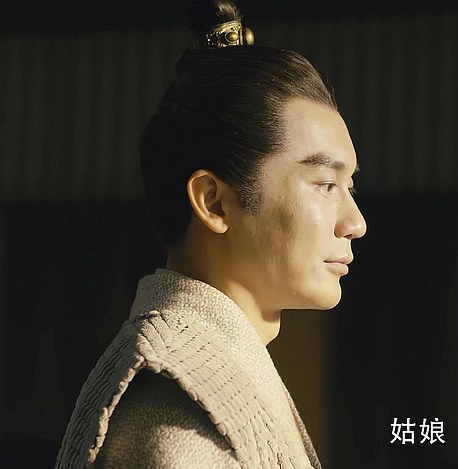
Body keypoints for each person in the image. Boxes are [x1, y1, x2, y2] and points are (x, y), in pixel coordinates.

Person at [54, 0, 366, 467]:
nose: (355, 223)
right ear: (214, 202)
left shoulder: (218, 369)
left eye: (349, 187)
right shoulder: (177, 413)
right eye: (324, 184)